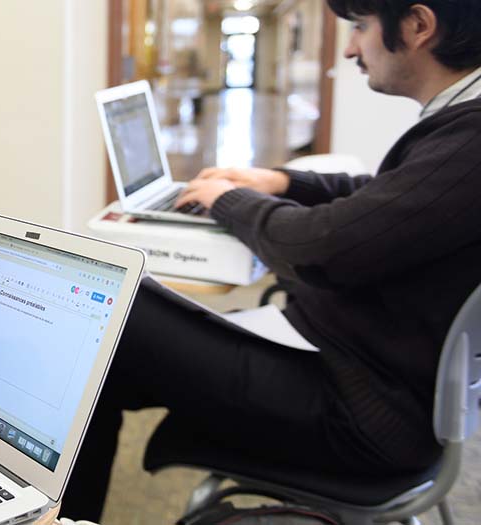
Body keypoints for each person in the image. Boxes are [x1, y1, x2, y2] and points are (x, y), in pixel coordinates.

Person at [61, 0, 481, 520]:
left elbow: (325, 247)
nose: (350, 47)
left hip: (359, 415)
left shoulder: (473, 138)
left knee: (106, 305)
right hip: (358, 374)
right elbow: (380, 200)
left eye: (361, 27)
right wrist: (281, 182)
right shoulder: (461, 132)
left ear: (419, 26)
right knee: (104, 357)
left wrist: (227, 201)